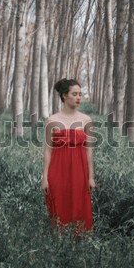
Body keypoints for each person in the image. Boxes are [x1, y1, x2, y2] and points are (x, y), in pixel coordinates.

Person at [41, 78, 95, 234]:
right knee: (59, 206)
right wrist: (44, 178)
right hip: (57, 170)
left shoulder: (86, 120)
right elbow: (47, 150)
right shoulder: (52, 120)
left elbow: (89, 149)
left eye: (80, 94)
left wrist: (91, 176)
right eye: (75, 94)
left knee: (79, 206)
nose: (79, 98)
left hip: (79, 170)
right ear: (64, 96)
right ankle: (60, 247)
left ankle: (80, 247)